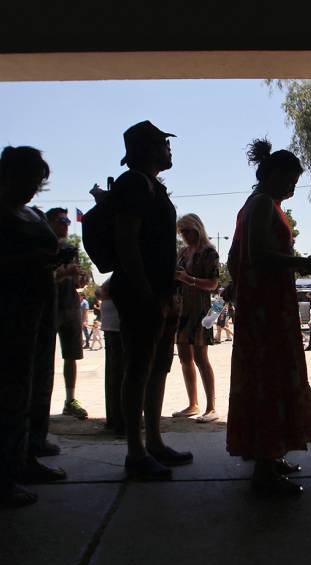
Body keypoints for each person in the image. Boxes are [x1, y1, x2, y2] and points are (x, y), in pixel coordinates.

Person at [226, 138, 311, 495]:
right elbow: (258, 254)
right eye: (289, 181)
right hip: (267, 309)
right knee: (270, 379)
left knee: (263, 378)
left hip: (263, 305)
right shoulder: (262, 205)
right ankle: (265, 470)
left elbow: (234, 258)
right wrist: (307, 263)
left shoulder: (253, 205)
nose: (292, 188)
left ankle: (268, 456)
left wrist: (242, 288)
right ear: (272, 174)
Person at [0, 147, 66, 506]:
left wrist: (55, 257)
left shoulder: (32, 215)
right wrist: (33, 259)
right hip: (7, 315)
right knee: (5, 396)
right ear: (8, 177)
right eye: (28, 181)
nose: (32, 189)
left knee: (35, 390)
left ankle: (24, 459)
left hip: (38, 315)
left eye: (37, 183)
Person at [109, 120, 193, 480]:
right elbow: (127, 244)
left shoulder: (153, 186)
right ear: (146, 149)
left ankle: (154, 441)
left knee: (158, 368)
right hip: (140, 295)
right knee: (139, 370)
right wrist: (145, 294)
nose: (169, 149)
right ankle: (135, 451)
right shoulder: (132, 184)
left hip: (159, 295)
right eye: (163, 143)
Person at [171, 213, 220, 423]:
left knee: (201, 358)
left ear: (197, 229)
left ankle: (211, 407)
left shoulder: (209, 252)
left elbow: (213, 284)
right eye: (181, 232)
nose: (184, 236)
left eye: (187, 231)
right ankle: (193, 404)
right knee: (184, 358)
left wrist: (188, 279)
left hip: (200, 310)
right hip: (182, 311)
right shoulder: (182, 252)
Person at [45, 208, 89, 420]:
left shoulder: (71, 249)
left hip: (70, 305)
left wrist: (81, 279)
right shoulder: (43, 247)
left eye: (68, 221)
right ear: (49, 223)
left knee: (71, 355)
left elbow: (77, 277)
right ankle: (40, 402)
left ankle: (70, 400)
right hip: (49, 304)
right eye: (61, 220)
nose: (66, 224)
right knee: (44, 357)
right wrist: (64, 274)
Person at [97, 280, 124, 435]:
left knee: (116, 375)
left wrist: (109, 293)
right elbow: (99, 292)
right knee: (117, 375)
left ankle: (118, 419)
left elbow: (102, 291)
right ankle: (118, 420)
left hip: (116, 325)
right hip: (115, 327)